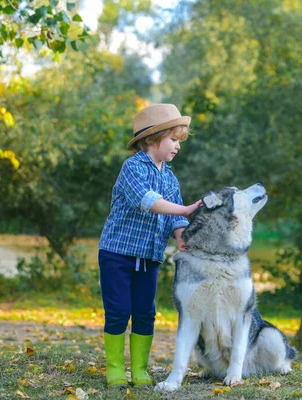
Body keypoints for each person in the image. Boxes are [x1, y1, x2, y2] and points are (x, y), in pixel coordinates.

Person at [98, 103, 201, 387]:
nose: (177, 146)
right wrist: (184, 211)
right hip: (117, 254)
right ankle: (116, 369)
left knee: (145, 312)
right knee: (119, 310)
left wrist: (181, 235)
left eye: (179, 141)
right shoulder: (132, 168)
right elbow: (148, 202)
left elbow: (173, 217)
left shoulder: (169, 177)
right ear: (152, 139)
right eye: (173, 140)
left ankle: (140, 370)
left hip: (150, 257)